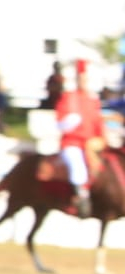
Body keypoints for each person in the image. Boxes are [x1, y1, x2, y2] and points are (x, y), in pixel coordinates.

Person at [55, 59, 105, 218]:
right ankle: (81, 198)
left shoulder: (93, 100)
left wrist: (102, 139)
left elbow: (98, 123)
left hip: (91, 144)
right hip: (72, 143)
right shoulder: (68, 97)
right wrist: (68, 122)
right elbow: (60, 122)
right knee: (77, 165)